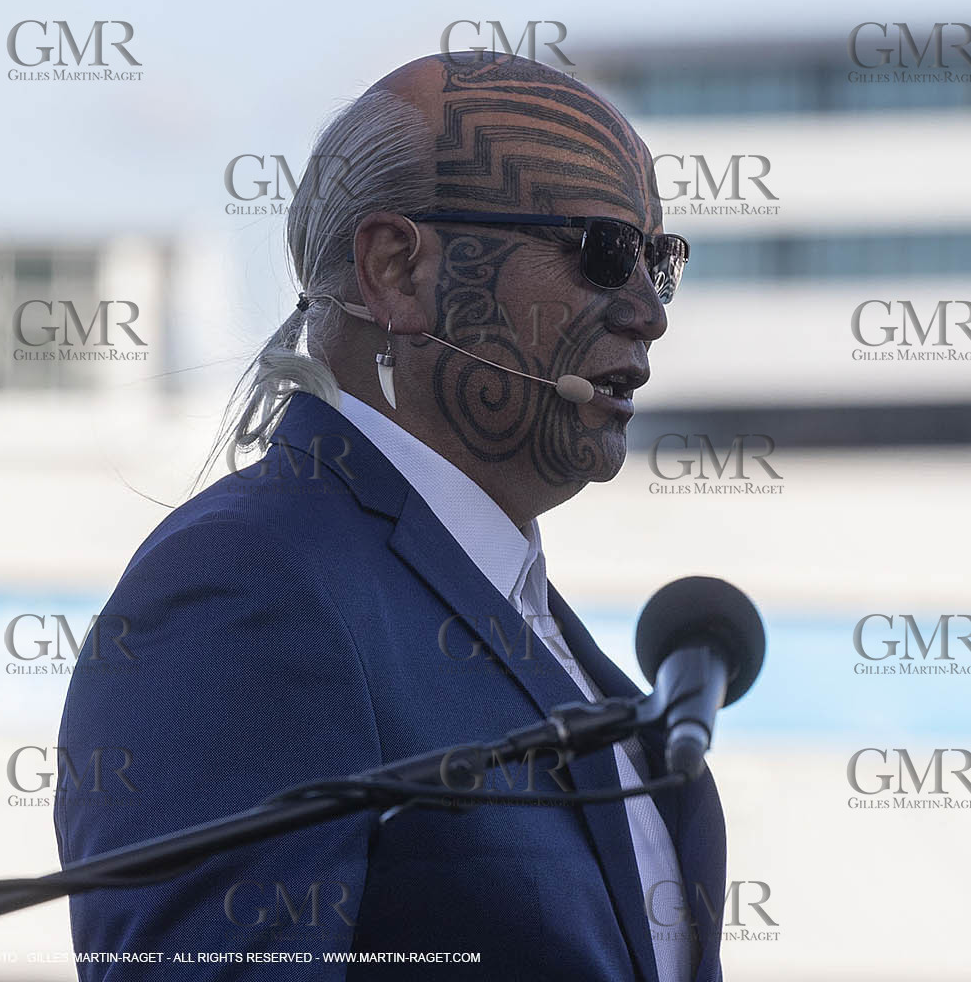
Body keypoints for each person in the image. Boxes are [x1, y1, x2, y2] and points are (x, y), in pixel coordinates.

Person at [55, 50, 723, 980]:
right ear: (397, 270)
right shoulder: (246, 588)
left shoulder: (532, 629)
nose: (648, 311)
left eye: (662, 261)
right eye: (604, 252)